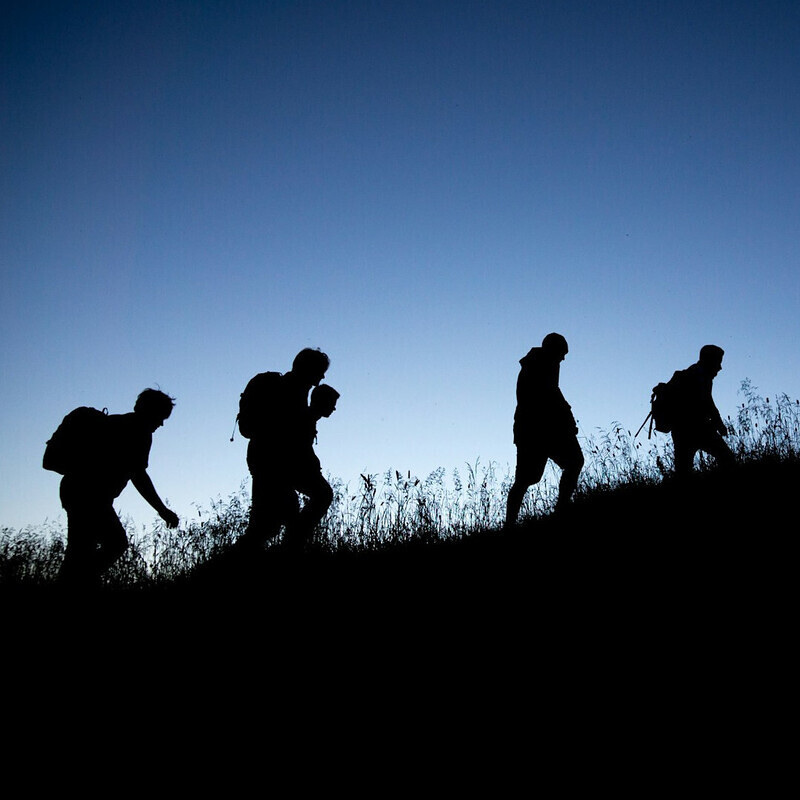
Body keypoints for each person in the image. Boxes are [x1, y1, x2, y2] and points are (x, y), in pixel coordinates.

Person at [58, 389, 179, 588]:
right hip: (90, 495)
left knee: (79, 550)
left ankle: (78, 580)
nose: (161, 423)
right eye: (161, 417)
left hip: (76, 489)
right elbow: (139, 476)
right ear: (151, 412)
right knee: (114, 543)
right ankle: (80, 580)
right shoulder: (138, 432)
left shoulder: (115, 422)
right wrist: (162, 510)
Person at [238, 347, 331, 553]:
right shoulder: (291, 390)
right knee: (270, 521)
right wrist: (313, 414)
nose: (321, 377)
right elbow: (290, 436)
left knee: (270, 521)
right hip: (273, 463)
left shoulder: (296, 390)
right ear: (308, 369)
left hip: (266, 460)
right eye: (320, 371)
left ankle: (284, 551)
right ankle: (287, 553)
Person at [505, 333, 584, 527]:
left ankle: (560, 509)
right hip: (536, 431)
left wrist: (566, 418)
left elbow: (553, 394)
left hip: (542, 429)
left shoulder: (542, 364)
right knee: (526, 479)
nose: (563, 359)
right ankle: (510, 524)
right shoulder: (539, 365)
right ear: (553, 349)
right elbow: (549, 396)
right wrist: (567, 418)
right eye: (562, 354)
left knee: (573, 463)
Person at [282, 383, 340, 551]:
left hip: (297, 471)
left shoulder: (308, 418)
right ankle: (293, 542)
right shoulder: (306, 418)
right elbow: (297, 448)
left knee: (318, 497)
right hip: (295, 471)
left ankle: (293, 541)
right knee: (323, 495)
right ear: (323, 402)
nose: (334, 409)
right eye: (332, 404)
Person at [670, 345, 734, 476]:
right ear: (710, 360)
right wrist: (719, 424)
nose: (720, 368)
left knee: (683, 472)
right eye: (718, 362)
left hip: (680, 430)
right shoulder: (701, 376)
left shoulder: (692, 373)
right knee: (727, 458)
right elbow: (707, 402)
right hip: (698, 428)